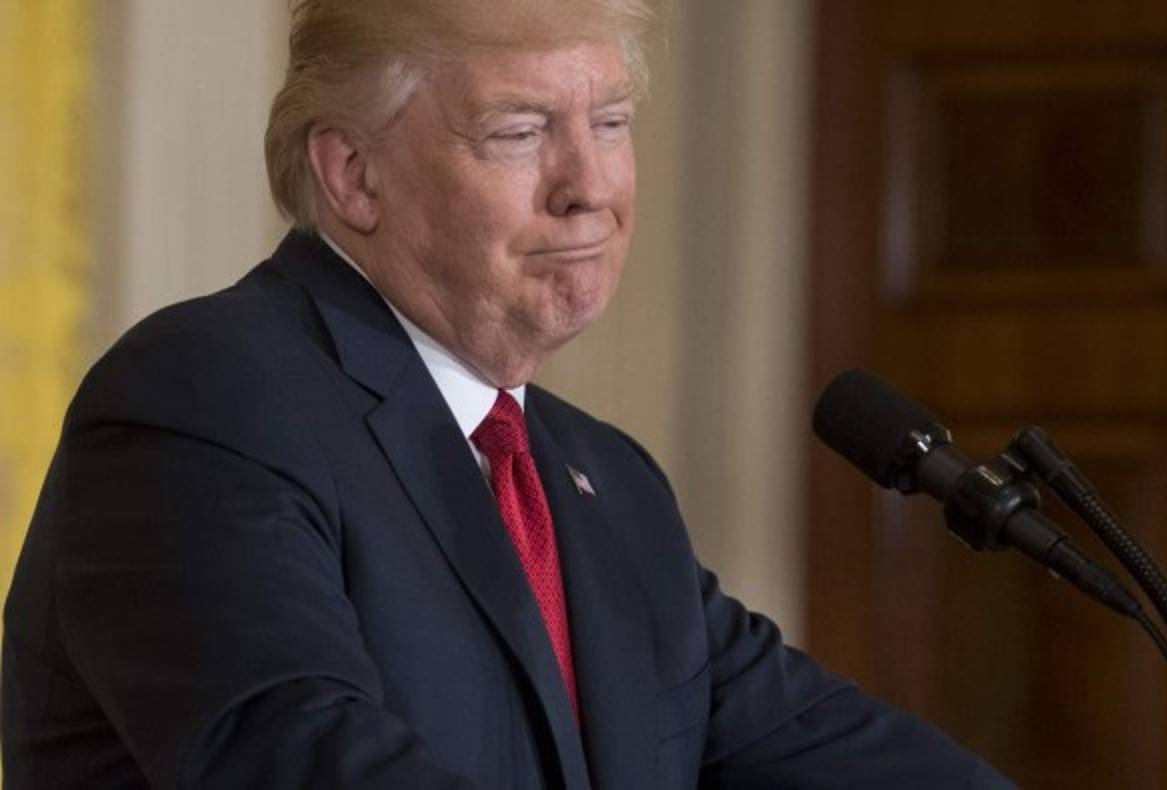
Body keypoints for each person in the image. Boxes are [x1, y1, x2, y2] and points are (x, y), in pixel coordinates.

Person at [2, 1, 1014, 787]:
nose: (589, 187)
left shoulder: (607, 483)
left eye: (609, 122)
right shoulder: (207, 400)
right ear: (354, 175)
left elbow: (814, 744)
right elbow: (304, 760)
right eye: (520, 132)